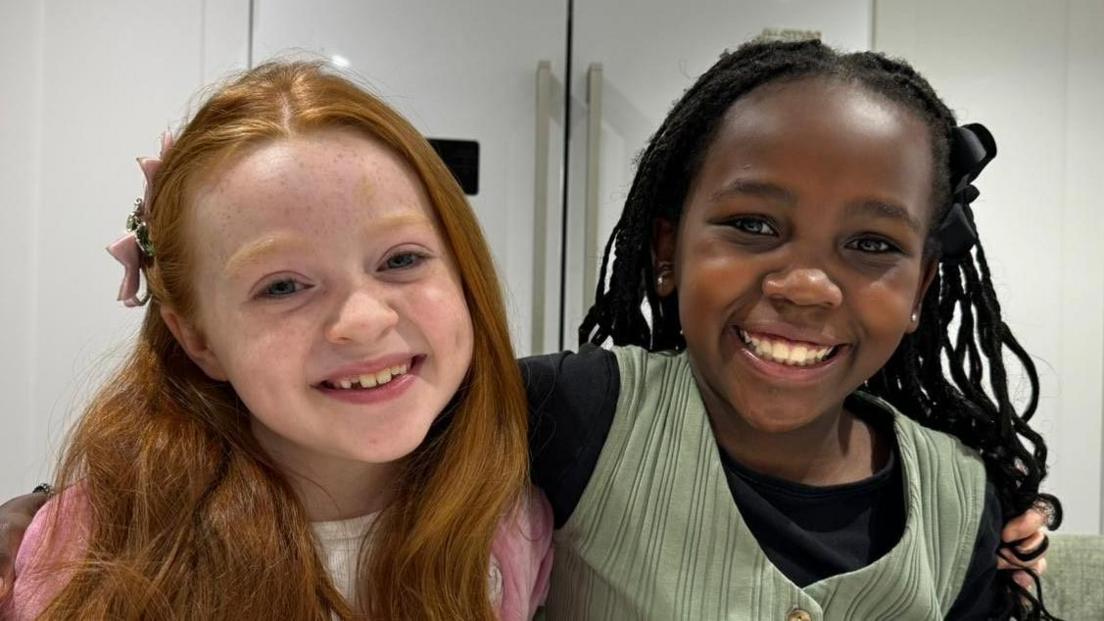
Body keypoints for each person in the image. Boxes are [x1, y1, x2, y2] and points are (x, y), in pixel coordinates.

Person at [523, 39, 1060, 619]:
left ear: (919, 292)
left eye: (872, 244)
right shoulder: (567, 415)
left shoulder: (962, 501)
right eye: (753, 224)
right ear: (667, 251)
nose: (806, 286)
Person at [0, 62, 552, 620]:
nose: (363, 320)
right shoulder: (87, 555)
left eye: (401, 259)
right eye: (283, 286)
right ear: (197, 339)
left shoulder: (511, 532)